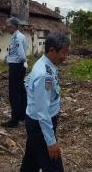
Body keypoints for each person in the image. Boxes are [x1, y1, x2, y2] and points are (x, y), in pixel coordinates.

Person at [20, 32, 70, 172]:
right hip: (40, 125)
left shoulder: (44, 63)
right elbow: (43, 112)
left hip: (34, 121)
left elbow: (27, 81)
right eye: (63, 53)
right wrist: (51, 141)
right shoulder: (44, 74)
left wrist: (33, 96)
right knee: (54, 165)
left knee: (31, 162)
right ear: (52, 50)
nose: (65, 57)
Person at [1, 17, 29, 128]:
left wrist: (24, 63)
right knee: (21, 90)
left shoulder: (17, 37)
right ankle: (23, 114)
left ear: (16, 27)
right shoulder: (18, 36)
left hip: (17, 66)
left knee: (14, 93)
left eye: (10, 27)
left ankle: (14, 119)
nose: (8, 29)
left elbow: (22, 55)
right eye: (7, 27)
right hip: (18, 66)